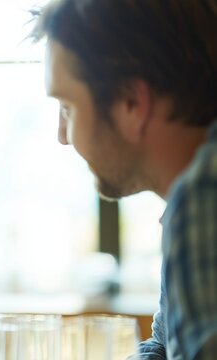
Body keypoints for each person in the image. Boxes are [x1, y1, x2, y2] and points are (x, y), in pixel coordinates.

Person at [32, 0, 217, 358]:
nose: (62, 135)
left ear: (131, 102)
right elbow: (165, 347)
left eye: (68, 107)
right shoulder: (190, 196)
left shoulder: (204, 196)